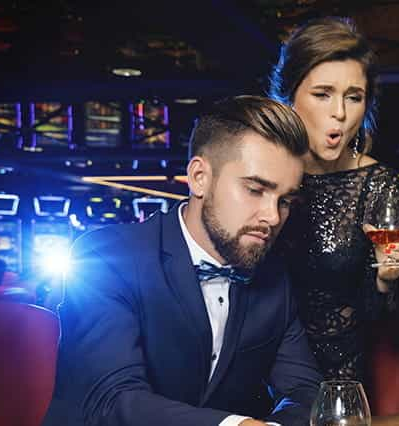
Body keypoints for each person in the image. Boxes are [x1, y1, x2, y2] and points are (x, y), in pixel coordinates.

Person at [43, 96, 321, 426]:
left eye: (285, 200)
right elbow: (112, 400)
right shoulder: (107, 257)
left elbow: (307, 392)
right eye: (255, 190)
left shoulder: (273, 277)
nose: (273, 217)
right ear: (199, 177)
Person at [270, 16, 399, 382]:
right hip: (254, 370)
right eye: (323, 94)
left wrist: (385, 281)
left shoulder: (377, 184)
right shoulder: (262, 174)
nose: (339, 112)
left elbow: (384, 322)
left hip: (340, 376)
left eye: (353, 97)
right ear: (290, 96)